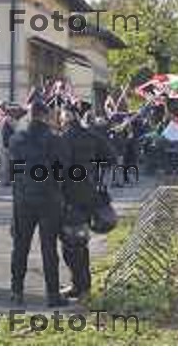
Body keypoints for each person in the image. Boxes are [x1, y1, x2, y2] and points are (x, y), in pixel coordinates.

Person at [9, 98, 70, 307]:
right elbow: (63, 169)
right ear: (45, 115)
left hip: (24, 197)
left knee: (20, 246)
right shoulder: (55, 139)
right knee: (49, 247)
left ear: (31, 114)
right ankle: (52, 295)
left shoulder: (17, 139)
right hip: (48, 197)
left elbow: (12, 168)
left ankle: (17, 291)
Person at [60, 104, 115, 299]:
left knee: (70, 245)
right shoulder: (92, 136)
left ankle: (79, 286)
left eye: (61, 115)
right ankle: (83, 285)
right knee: (81, 243)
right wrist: (98, 179)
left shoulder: (64, 138)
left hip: (70, 197)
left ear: (66, 117)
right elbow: (111, 158)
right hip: (89, 194)